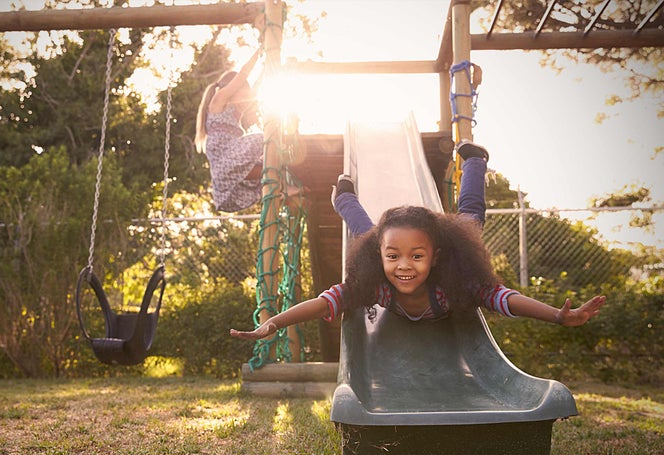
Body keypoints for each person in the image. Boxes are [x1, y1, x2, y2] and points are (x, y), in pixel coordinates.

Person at [230, 140, 606, 341]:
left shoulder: (455, 280)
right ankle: (344, 198)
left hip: (449, 242)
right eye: (394, 257)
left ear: (436, 256)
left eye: (417, 256)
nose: (404, 265)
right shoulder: (375, 281)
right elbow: (321, 302)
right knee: (366, 231)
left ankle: (475, 160)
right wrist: (275, 323)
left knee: (470, 218)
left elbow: (504, 299)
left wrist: (557, 315)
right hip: (376, 241)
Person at [195, 48, 264, 212]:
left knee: (270, 165)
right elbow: (243, 74)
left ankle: (285, 190)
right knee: (262, 138)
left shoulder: (237, 112)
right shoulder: (218, 102)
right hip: (224, 162)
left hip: (231, 165)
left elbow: (256, 89)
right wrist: (258, 53)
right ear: (233, 90)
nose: (246, 99)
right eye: (243, 93)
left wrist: (266, 67)